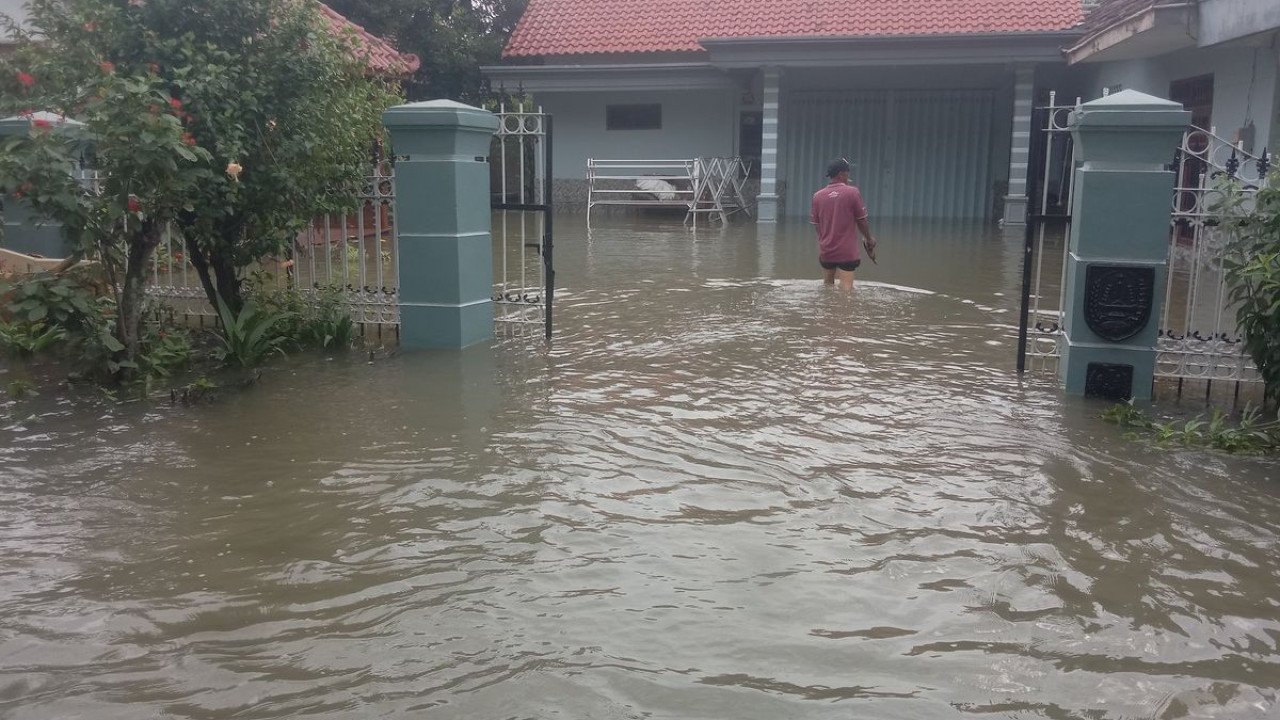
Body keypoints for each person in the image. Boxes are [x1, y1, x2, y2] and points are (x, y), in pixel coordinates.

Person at [810, 158, 877, 291]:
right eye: (848, 172)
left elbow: (816, 225)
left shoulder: (817, 196)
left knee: (827, 288)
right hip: (846, 252)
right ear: (841, 174)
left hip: (826, 251)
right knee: (846, 291)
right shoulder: (852, 192)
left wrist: (823, 241)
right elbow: (861, 221)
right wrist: (869, 239)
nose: (849, 176)